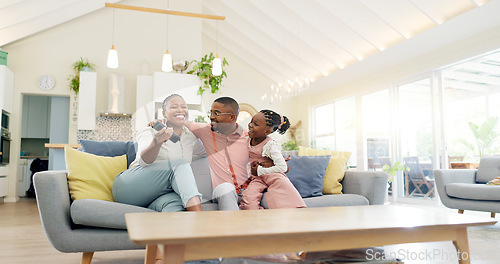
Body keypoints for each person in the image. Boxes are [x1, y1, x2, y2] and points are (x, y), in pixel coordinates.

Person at [112, 94, 202, 213]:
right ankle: (202, 220)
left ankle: (178, 230)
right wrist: (157, 141)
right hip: (129, 187)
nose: (180, 110)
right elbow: (144, 161)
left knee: (176, 202)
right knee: (180, 164)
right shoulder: (151, 130)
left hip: (157, 194)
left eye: (184, 107)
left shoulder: (191, 137)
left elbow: (213, 144)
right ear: (164, 113)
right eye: (174, 107)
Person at [240, 110, 306, 210]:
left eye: (256, 124)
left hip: (273, 175)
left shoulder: (270, 145)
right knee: (248, 197)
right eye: (251, 121)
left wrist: (260, 170)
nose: (250, 125)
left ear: (267, 132)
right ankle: (257, 220)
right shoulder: (247, 140)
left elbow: (282, 167)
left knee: (284, 194)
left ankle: (293, 214)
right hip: (257, 178)